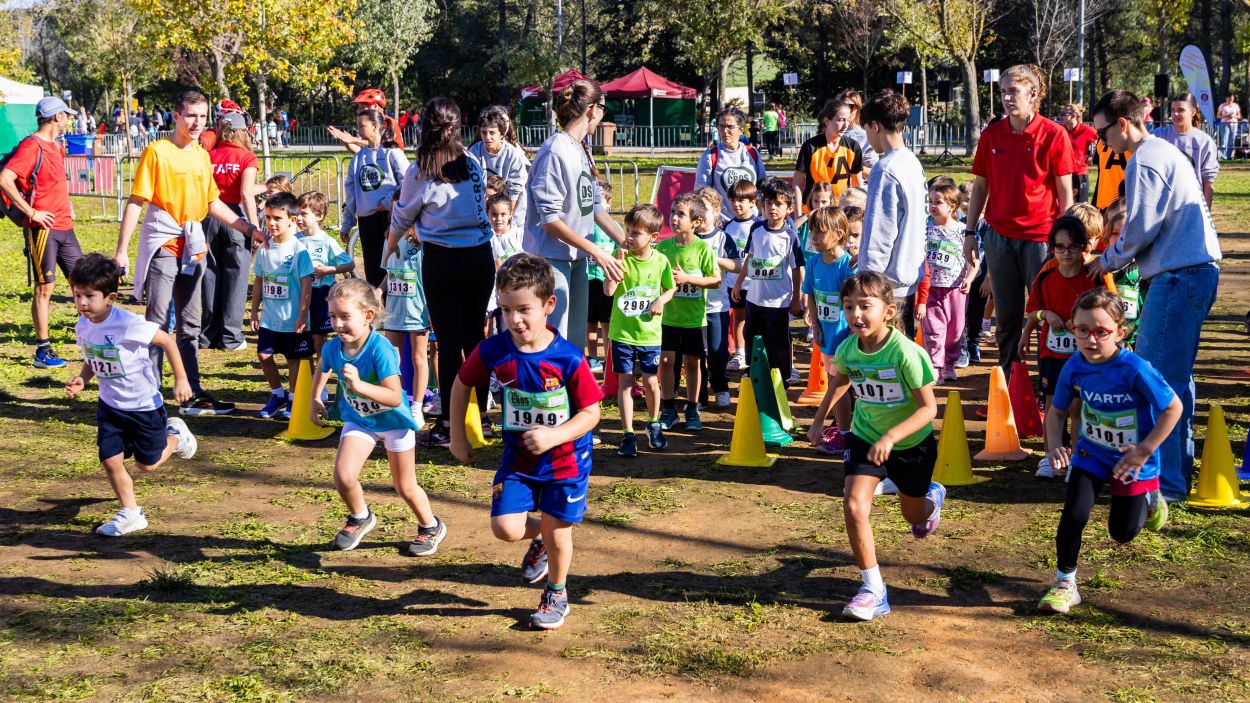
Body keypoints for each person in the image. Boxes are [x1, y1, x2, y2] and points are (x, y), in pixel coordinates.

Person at [449, 254, 605, 630]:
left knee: (558, 531)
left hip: (566, 461)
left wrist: (555, 434)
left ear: (549, 305)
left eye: (524, 309)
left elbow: (592, 413)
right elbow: (461, 383)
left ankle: (557, 592)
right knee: (505, 528)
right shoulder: (494, 350)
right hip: (518, 460)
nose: (515, 320)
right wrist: (457, 433)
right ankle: (539, 540)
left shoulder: (567, 358)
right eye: (506, 310)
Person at [1088, 89, 1221, 504]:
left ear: (1123, 124)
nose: (1101, 142)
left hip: (1179, 276)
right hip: (1193, 273)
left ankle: (1166, 484)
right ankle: (1175, 475)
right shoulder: (1163, 151)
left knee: (1158, 380)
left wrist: (1105, 260)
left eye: (1102, 132)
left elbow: (1141, 228)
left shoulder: (1144, 159)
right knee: (1176, 377)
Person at [113, 90, 261, 417]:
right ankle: (148, 395)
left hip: (192, 249)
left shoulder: (200, 155)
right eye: (191, 115)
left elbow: (212, 203)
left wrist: (249, 228)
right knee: (156, 322)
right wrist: (122, 251)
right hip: (164, 245)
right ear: (176, 116)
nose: (197, 123)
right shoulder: (157, 152)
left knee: (190, 323)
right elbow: (137, 201)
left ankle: (191, 393)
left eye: (203, 116)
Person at [1036, 289, 1180, 614]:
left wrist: (1145, 449)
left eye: (1101, 332)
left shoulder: (1135, 369)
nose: (1090, 339)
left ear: (1120, 332)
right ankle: (1065, 583)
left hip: (1133, 459)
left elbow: (1173, 407)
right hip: (1092, 452)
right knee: (1074, 514)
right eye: (1082, 330)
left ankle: (1149, 498)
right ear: (1073, 329)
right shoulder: (1074, 367)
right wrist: (1055, 446)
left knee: (1123, 533)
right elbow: (1057, 412)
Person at [825, 271, 946, 621]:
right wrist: (819, 420)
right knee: (853, 505)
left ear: (889, 311)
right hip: (865, 437)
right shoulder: (848, 349)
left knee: (913, 515)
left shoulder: (907, 353)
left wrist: (892, 438)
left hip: (911, 445)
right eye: (849, 307)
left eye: (865, 306)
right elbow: (840, 381)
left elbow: (929, 409)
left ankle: (931, 500)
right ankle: (873, 588)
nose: (856, 315)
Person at [385, 97, 495, 449]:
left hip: (444, 261)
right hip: (479, 258)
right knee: (473, 338)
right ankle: (482, 417)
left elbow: (402, 217)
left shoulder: (420, 171)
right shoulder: (473, 164)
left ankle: (449, 423)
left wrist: (387, 252)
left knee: (449, 343)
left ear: (424, 128)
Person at [310, 279, 447, 555]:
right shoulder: (333, 347)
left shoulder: (380, 348)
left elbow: (394, 396)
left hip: (394, 424)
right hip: (361, 420)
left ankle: (430, 526)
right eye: (333, 316)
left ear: (368, 316)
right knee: (343, 475)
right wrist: (315, 397)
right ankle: (360, 516)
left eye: (345, 316)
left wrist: (360, 386)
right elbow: (323, 366)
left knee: (404, 486)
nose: (337, 324)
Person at [65, 254, 198, 537]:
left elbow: (166, 341)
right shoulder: (83, 325)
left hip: (143, 406)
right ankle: (131, 513)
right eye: (77, 295)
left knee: (146, 465)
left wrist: (181, 378)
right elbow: (92, 357)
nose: (82, 303)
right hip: (110, 406)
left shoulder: (127, 323)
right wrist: (82, 379)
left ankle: (175, 436)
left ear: (110, 297)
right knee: (110, 459)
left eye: (89, 296)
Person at [964, 65, 1074, 373]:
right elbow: (980, 186)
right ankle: (1011, 385)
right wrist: (970, 232)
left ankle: (1050, 387)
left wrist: (1067, 239)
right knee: (1008, 317)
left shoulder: (1054, 134)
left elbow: (1066, 193)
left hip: (1042, 238)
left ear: (1034, 94)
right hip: (998, 236)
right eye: (1003, 91)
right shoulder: (991, 134)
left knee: (1049, 313)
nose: (1007, 98)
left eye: (1014, 91)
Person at [524, 80, 626, 351]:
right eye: (604, 108)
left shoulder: (581, 147)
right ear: (592, 110)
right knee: (552, 339)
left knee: (574, 341)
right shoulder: (556, 149)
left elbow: (593, 206)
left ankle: (569, 393)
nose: (605, 115)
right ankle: (548, 393)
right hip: (551, 260)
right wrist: (597, 251)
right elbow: (550, 220)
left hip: (577, 258)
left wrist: (625, 240)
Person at [1021, 215, 1109, 478]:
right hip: (1052, 352)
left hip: (1085, 355)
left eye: (1073, 246)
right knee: (1053, 405)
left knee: (1078, 407)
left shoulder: (1093, 276)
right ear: (1052, 248)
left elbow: (1107, 311)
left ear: (1084, 247)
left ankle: (1080, 459)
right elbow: (1033, 310)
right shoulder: (1046, 275)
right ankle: (1051, 457)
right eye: (1060, 247)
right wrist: (1044, 316)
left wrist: (1083, 323)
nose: (1066, 252)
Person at [0, 96, 83, 368]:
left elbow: (56, 182)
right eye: (66, 115)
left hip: (65, 227)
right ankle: (42, 351)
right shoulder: (31, 146)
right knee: (45, 289)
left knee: (84, 281)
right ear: (56, 117)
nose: (69, 119)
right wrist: (32, 212)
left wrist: (68, 205)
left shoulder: (56, 147)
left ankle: (88, 337)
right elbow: (5, 179)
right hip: (42, 229)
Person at [606, 204, 676, 456]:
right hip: (622, 333)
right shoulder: (620, 256)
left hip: (649, 334)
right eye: (628, 231)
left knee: (650, 381)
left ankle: (653, 424)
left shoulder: (660, 261)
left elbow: (670, 288)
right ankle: (627, 434)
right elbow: (609, 291)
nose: (629, 237)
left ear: (653, 237)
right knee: (625, 383)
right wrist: (618, 263)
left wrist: (661, 300)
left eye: (636, 233)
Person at [656, 193, 720, 432]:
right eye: (672, 212)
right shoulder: (663, 247)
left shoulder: (703, 249)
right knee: (666, 360)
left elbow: (715, 280)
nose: (674, 218)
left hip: (694, 320)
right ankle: (669, 407)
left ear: (696, 222)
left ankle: (693, 408)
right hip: (669, 318)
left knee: (693, 363)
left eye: (680, 214)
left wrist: (687, 278)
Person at [731, 178, 804, 384]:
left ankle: (781, 380)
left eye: (779, 204)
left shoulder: (790, 236)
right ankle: (755, 375)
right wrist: (738, 283)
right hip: (754, 301)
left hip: (778, 304)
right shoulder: (756, 229)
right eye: (769, 203)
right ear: (762, 205)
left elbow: (798, 268)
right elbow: (750, 257)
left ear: (789, 208)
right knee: (753, 338)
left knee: (778, 345)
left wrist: (797, 298)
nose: (772, 208)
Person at [250, 192, 314, 420]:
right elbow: (259, 280)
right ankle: (277, 394)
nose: (271, 223)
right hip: (270, 318)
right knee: (264, 356)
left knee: (293, 359)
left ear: (292, 220)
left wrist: (303, 315)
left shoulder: (299, 250)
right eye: (268, 217)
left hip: (292, 319)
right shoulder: (264, 249)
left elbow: (307, 284)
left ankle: (293, 399)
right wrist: (254, 311)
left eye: (277, 218)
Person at [859, 89, 928, 301]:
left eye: (866, 131)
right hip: (908, 277)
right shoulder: (912, 162)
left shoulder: (885, 168)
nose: (868, 140)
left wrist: (867, 281)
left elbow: (880, 230)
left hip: (884, 286)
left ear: (875, 126)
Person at [200, 112, 259, 351]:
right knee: (237, 277)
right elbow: (246, 193)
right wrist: (253, 227)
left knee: (210, 275)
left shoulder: (208, 156)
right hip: (235, 217)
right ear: (242, 131)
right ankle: (231, 336)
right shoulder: (247, 157)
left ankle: (207, 335)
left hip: (209, 215)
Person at [802, 206, 856, 455]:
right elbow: (811, 295)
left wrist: (852, 333)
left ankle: (845, 434)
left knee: (839, 383)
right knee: (836, 384)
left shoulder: (848, 265)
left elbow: (854, 302)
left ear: (838, 233)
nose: (813, 238)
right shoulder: (813, 263)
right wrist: (815, 323)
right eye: (812, 232)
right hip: (825, 336)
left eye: (819, 233)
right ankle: (844, 432)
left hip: (845, 336)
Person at [341, 108, 408, 287]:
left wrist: (387, 201)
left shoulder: (392, 153)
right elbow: (351, 194)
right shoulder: (357, 159)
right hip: (366, 222)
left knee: (392, 267)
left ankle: (394, 310)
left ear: (376, 127)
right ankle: (377, 310)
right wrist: (347, 224)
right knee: (372, 271)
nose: (358, 131)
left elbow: (408, 183)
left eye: (361, 126)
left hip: (390, 219)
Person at [920, 183, 976, 383]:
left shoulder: (962, 231)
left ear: (952, 206)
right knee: (933, 330)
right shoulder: (924, 228)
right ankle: (935, 366)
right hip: (931, 287)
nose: (933, 206)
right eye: (931, 202)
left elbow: (974, 260)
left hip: (956, 289)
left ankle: (949, 364)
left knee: (955, 331)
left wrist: (969, 279)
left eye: (938, 202)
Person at [382, 215, 433, 429]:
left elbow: (430, 277)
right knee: (390, 357)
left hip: (417, 310)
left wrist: (432, 310)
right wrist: (378, 290)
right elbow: (389, 273)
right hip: (394, 311)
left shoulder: (422, 242)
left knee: (419, 357)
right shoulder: (388, 239)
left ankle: (417, 407)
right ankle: (396, 402)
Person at [694, 186, 740, 408]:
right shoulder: (688, 239)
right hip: (691, 307)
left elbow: (737, 266)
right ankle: (699, 395)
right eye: (697, 210)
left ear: (716, 211)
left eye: (706, 209)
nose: (701, 215)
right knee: (695, 354)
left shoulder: (723, 238)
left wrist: (713, 258)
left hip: (716, 306)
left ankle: (721, 387)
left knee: (717, 351)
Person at [297, 191, 354, 356]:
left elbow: (349, 263)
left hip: (321, 294)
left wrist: (330, 269)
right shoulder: (295, 239)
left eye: (304, 214)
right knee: (302, 336)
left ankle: (322, 371)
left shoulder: (327, 241)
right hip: (300, 294)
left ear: (319, 215)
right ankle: (308, 376)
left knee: (318, 338)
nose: (299, 218)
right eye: (297, 213)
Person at [695, 107, 767, 222]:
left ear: (741, 130)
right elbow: (701, 193)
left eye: (730, 126)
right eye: (721, 126)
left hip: (752, 222)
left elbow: (762, 186)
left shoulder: (752, 153)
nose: (725, 131)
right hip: (723, 224)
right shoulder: (709, 156)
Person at [1151, 92, 1218, 207]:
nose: (1175, 114)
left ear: (1193, 112)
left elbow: (1208, 183)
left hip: (1191, 206)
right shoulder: (1158, 136)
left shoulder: (1204, 142)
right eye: (1172, 110)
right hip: (1162, 205)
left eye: (1181, 110)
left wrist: (1206, 214)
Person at [794, 98, 864, 207]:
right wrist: (798, 215)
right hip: (812, 211)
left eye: (848, 120)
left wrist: (857, 212)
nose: (845, 125)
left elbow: (857, 185)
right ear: (827, 121)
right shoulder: (810, 147)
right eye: (840, 120)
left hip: (839, 212)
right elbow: (797, 184)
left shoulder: (853, 147)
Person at [469, 105, 530, 228]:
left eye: (492, 133)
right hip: (484, 214)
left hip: (511, 213)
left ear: (502, 134)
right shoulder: (474, 151)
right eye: (484, 132)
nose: (487, 137)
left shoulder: (512, 154)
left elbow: (515, 190)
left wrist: (506, 218)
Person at [724, 179, 759, 372]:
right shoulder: (728, 227)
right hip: (733, 283)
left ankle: (755, 353)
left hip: (755, 283)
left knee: (754, 320)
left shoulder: (759, 225)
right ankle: (739, 353)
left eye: (742, 200)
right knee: (738, 316)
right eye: (733, 200)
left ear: (752, 202)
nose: (737, 205)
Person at [585, 178, 617, 372]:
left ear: (609, 203)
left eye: (601, 202)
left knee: (606, 322)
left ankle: (608, 358)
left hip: (606, 281)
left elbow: (619, 251)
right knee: (590, 321)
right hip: (588, 279)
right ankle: (593, 357)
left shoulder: (614, 228)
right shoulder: (585, 227)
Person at [1059, 104, 1098, 203]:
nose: (1061, 116)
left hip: (1080, 173)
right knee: (1064, 204)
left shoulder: (1086, 130)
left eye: (1064, 114)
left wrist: (1092, 155)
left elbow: (1101, 140)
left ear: (1074, 115)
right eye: (1061, 113)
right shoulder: (1060, 129)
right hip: (1064, 173)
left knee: (1080, 206)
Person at [837, 89, 880, 178]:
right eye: (842, 106)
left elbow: (873, 172)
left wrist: (851, 165)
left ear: (857, 109)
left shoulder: (865, 136)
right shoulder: (829, 132)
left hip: (853, 189)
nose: (846, 110)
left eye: (850, 106)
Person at [797, 181, 835, 254]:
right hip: (805, 263)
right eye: (816, 201)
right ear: (811, 201)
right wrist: (807, 216)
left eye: (824, 202)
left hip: (824, 262)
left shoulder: (834, 220)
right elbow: (789, 229)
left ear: (831, 201)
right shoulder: (805, 220)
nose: (819, 206)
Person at [1217, 94, 1242, 160]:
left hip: (1234, 124)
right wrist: (1225, 116)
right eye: (1229, 99)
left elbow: (1239, 116)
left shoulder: (1236, 106)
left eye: (1232, 99)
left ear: (1233, 99)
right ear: (1226, 98)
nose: (1230, 100)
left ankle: (1229, 156)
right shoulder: (1222, 105)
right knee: (1224, 141)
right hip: (1224, 124)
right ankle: (1223, 156)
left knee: (1231, 141)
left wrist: (1233, 116)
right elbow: (1218, 116)